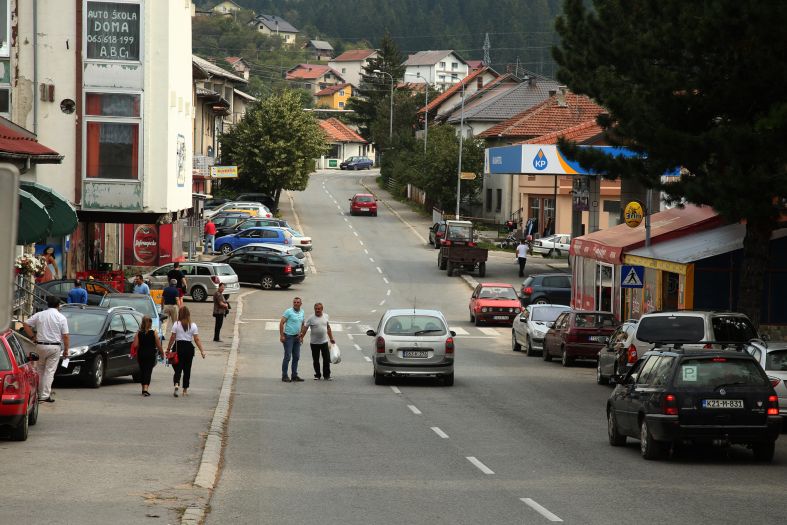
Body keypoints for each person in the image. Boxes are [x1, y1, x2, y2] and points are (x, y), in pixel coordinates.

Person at [23, 295, 69, 403]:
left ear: (48, 305)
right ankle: (45, 395)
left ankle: (37, 393)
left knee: (39, 370)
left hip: (40, 345)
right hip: (54, 347)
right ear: (58, 305)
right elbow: (66, 335)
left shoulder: (40, 315)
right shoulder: (61, 317)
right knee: (49, 372)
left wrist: (32, 337)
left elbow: (26, 324)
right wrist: (66, 350)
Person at [165, 306, 205, 397]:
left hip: (178, 347)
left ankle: (176, 383)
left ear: (180, 314)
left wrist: (168, 348)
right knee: (187, 370)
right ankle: (185, 390)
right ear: (188, 314)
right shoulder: (193, 325)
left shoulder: (176, 324)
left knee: (177, 368)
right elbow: (197, 339)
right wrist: (202, 351)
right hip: (189, 348)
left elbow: (172, 337)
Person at [300, 302, 335, 381]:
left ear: (322, 309)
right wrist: (301, 337)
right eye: (316, 309)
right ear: (314, 309)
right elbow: (305, 328)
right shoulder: (311, 318)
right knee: (316, 360)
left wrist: (331, 338)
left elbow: (328, 327)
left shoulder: (326, 316)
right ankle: (317, 375)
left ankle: (327, 375)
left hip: (324, 342)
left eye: (319, 309)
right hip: (314, 343)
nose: (317, 310)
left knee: (326, 360)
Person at [133, 315, 165, 396]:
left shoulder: (138, 333)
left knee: (143, 371)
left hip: (141, 354)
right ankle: (145, 389)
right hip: (150, 355)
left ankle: (143, 388)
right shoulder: (154, 332)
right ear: (150, 323)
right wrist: (162, 353)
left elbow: (135, 345)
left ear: (142, 323)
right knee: (148, 371)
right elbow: (158, 345)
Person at [279, 297, 305, 382]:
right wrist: (282, 335)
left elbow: (302, 323)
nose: (296, 304)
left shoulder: (302, 312)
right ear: (293, 303)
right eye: (295, 302)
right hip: (288, 337)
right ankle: (284, 375)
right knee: (287, 356)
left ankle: (294, 375)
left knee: (296, 357)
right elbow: (282, 323)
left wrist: (301, 335)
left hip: (297, 338)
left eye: (298, 302)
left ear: (301, 304)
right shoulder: (288, 311)